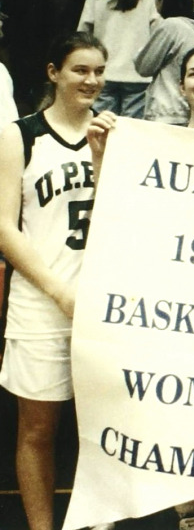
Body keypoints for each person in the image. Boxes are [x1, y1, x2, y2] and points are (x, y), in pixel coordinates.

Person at [0, 31, 107, 530]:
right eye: (80, 70)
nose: (91, 80)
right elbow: (4, 227)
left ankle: (98, 521)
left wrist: (104, 158)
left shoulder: (114, 132)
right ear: (53, 73)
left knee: (103, 429)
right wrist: (58, 290)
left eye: (98, 71)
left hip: (104, 304)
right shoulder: (19, 134)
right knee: (37, 430)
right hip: (42, 300)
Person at [77, 0, 159, 117]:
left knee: (101, 123)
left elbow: (83, 31)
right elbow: (157, 30)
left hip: (104, 70)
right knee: (132, 129)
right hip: (138, 74)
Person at [134, 0, 194, 125]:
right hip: (188, 111)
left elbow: (143, 66)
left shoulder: (170, 26)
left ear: (162, 1)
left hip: (167, 111)